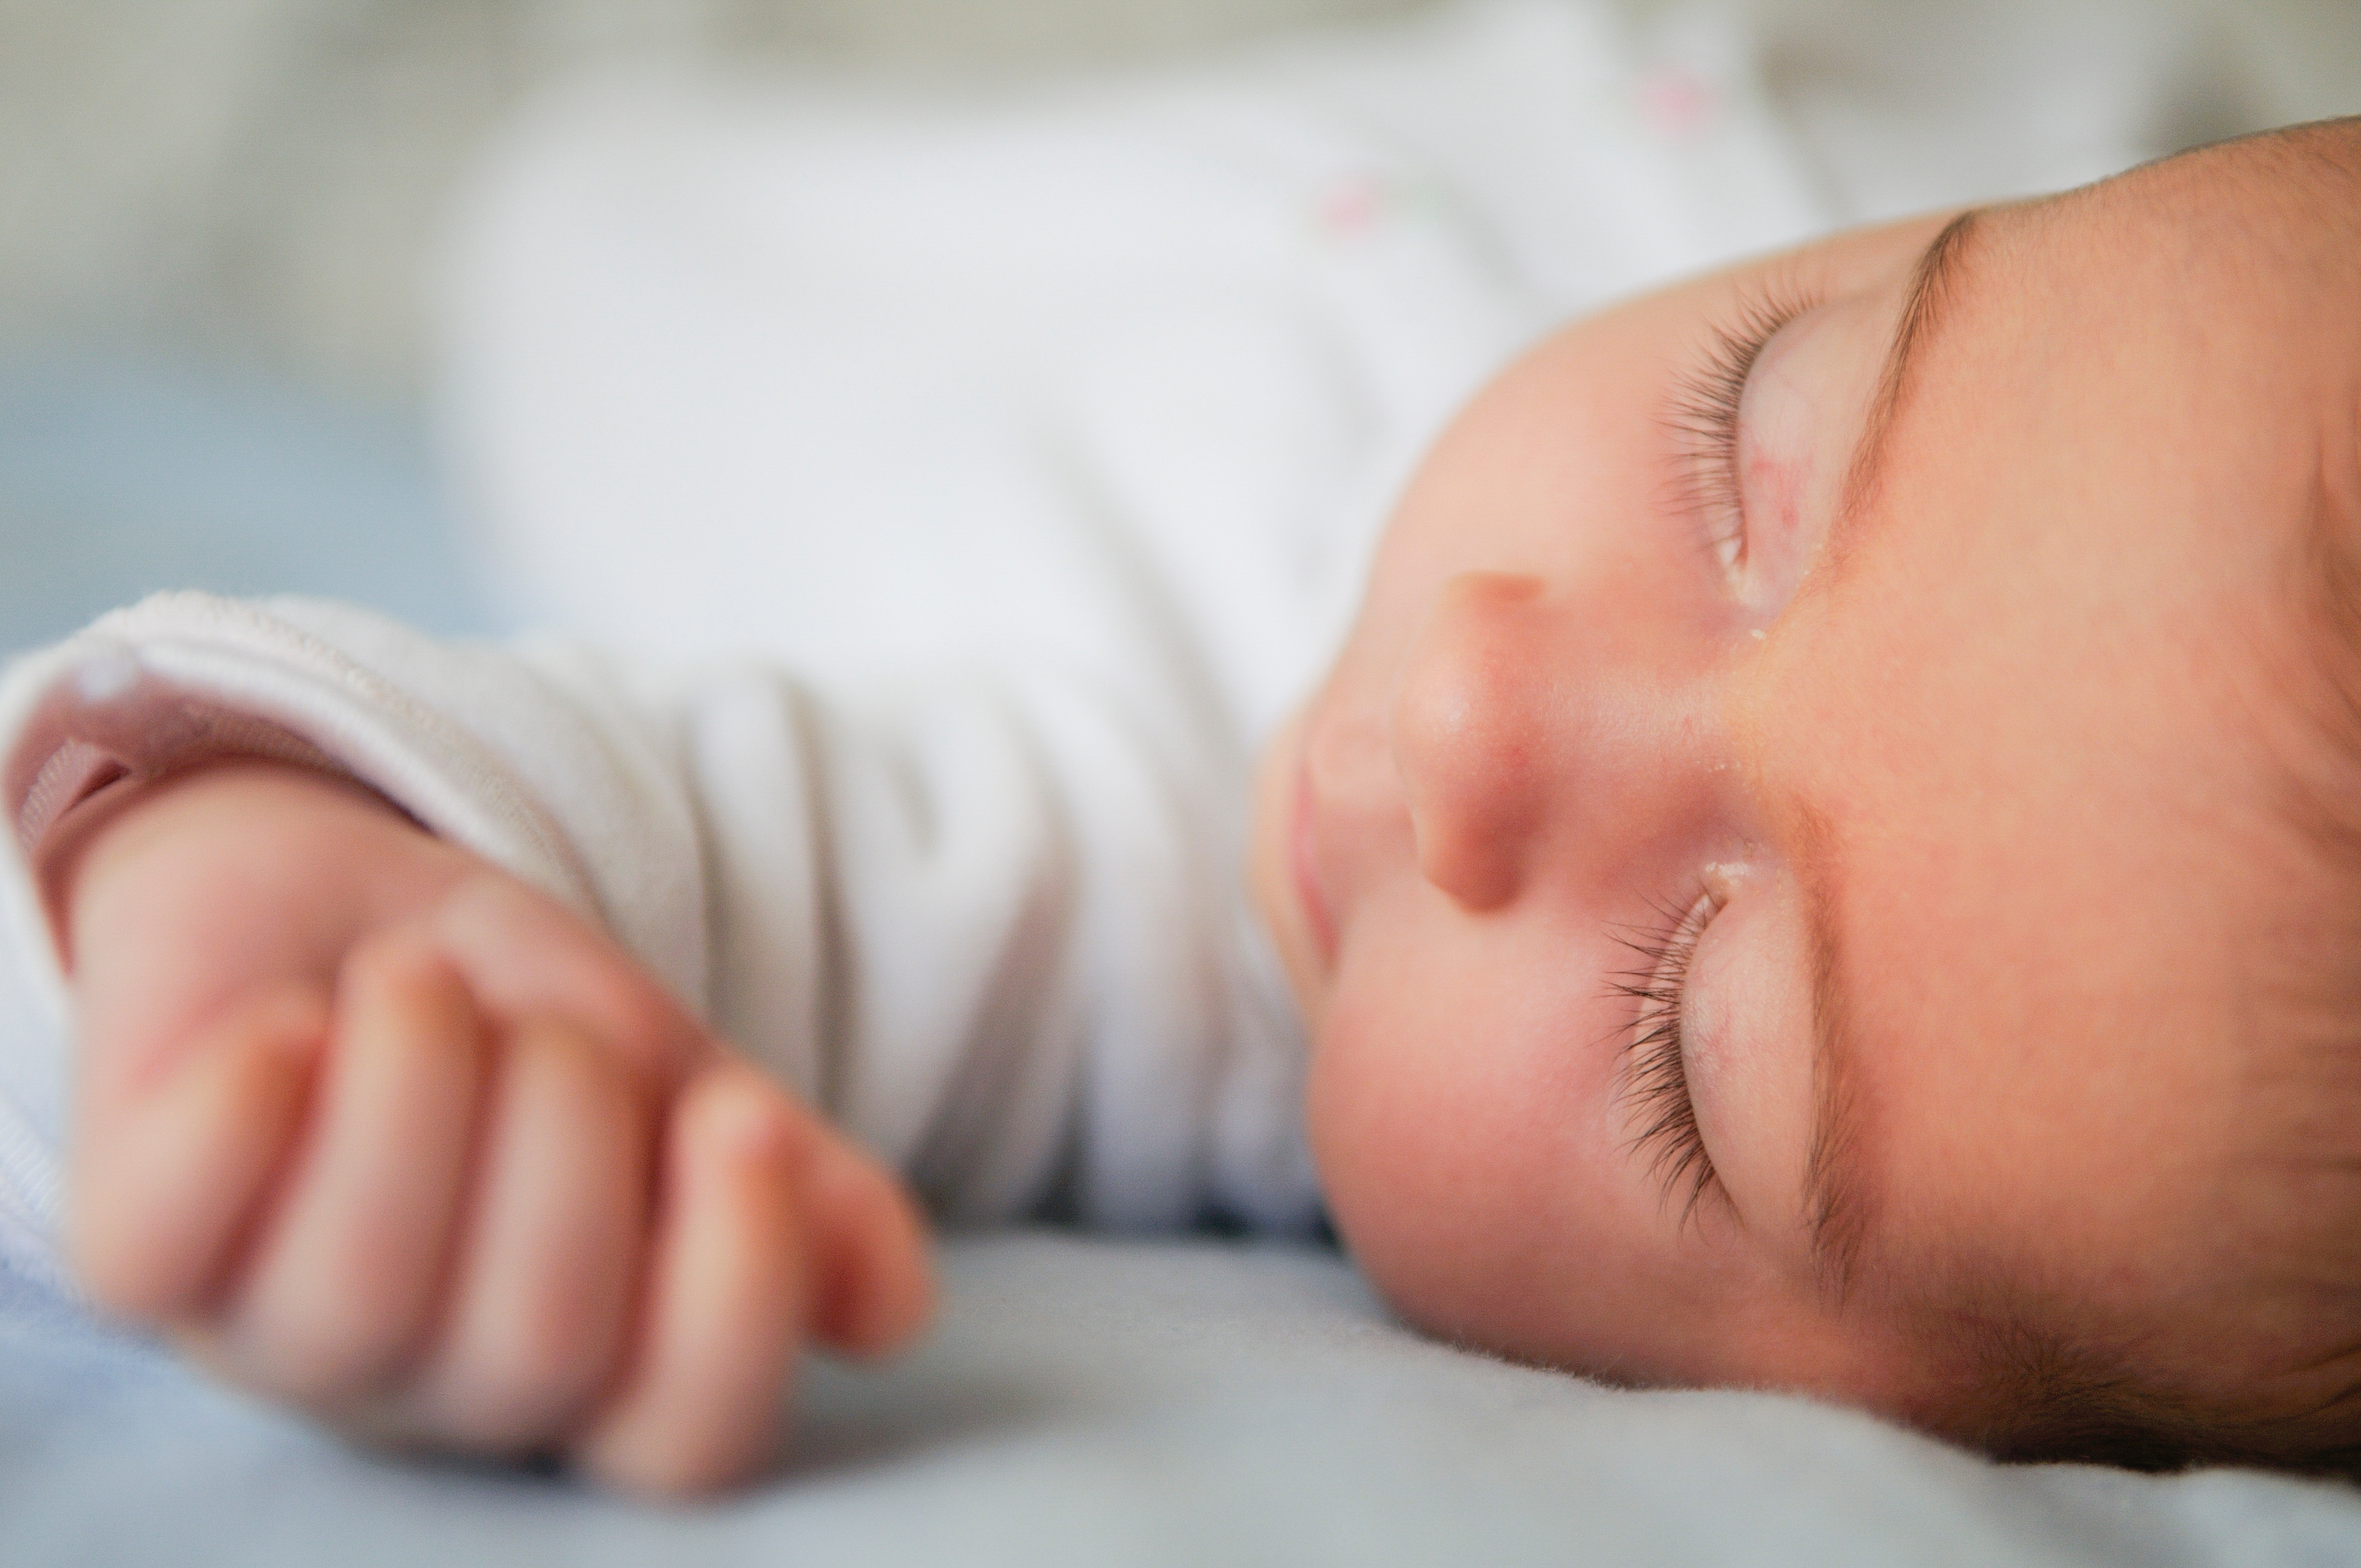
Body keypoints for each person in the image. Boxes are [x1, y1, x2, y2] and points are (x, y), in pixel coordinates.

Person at [3, 0, 2357, 1496]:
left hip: (526, 169)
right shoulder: (2151, 217)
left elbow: (628, 833)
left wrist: (262, 900)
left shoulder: (1129, 886)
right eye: (1761, 433)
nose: (1472, 704)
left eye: (1692, 1036)